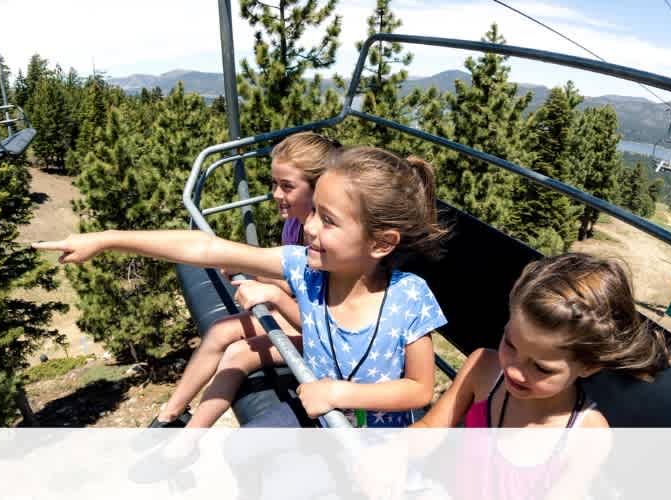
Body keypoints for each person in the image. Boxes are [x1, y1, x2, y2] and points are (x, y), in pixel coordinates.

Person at [33, 146, 449, 429]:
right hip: (322, 419)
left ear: (381, 243)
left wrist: (341, 392)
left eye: (330, 220)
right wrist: (107, 239)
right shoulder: (305, 270)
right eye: (315, 212)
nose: (309, 227)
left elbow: (419, 388)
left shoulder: (408, 297)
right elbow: (207, 247)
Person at [359, 253, 671, 499]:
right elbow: (430, 429)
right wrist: (392, 451)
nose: (514, 370)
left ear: (589, 366)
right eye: (510, 343)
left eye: (541, 368)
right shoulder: (483, 369)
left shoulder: (587, 436)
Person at [150, 132, 342, 428]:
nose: (275, 194)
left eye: (287, 186)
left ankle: (189, 437)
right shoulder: (295, 224)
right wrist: (261, 275)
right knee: (220, 331)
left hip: (325, 334)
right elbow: (297, 283)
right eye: (273, 184)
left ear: (318, 189)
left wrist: (270, 289)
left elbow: (319, 314)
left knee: (239, 352)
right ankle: (170, 415)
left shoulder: (326, 243)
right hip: (304, 312)